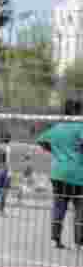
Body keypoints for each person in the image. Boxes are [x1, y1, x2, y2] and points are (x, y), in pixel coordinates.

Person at [37, 99, 83, 249]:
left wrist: (55, 151)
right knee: (80, 209)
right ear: (77, 111)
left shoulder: (57, 127)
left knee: (59, 206)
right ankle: (79, 242)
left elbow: (41, 140)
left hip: (58, 173)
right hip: (78, 173)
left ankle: (55, 239)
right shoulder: (80, 126)